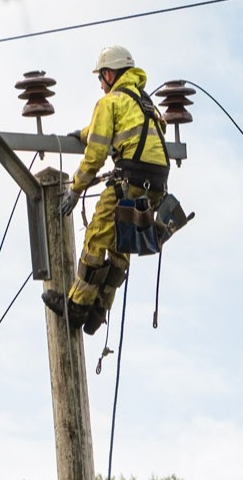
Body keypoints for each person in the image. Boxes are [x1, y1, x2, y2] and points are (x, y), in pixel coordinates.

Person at [41, 45, 171, 334]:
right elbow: (114, 130)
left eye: (101, 78)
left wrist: (76, 190)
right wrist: (84, 133)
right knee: (120, 245)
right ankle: (99, 311)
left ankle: (76, 308)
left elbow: (96, 155)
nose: (100, 85)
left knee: (97, 240)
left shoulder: (110, 102)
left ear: (110, 74)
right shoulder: (146, 104)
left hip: (129, 180)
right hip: (155, 186)